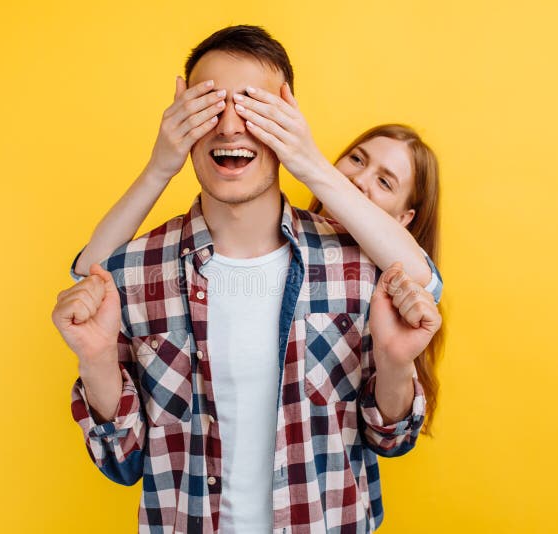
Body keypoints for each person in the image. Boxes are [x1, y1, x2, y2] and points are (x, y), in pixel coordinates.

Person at [52, 25, 442, 533]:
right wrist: (97, 360)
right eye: (209, 106)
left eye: (254, 107)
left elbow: (391, 437)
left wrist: (395, 365)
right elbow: (121, 463)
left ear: (287, 120)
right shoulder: (135, 272)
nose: (231, 126)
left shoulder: (357, 268)